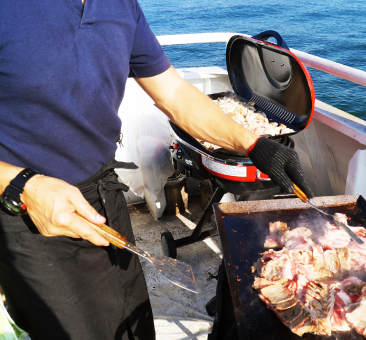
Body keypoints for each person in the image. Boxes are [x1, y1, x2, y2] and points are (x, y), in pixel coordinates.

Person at [0, 0, 314, 339]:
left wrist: (254, 144)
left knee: (133, 320)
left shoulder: (120, 5)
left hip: (104, 192)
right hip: (26, 208)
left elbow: (175, 94)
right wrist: (22, 185)